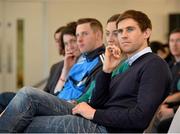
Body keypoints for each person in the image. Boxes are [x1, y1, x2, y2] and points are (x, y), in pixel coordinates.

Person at [0, 11, 172, 133]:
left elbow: (140, 118)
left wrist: (94, 114)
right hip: (95, 119)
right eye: (120, 31)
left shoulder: (154, 65)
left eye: (130, 29)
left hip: (107, 129)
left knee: (26, 122)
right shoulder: (128, 64)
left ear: (146, 32)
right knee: (27, 94)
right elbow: (97, 101)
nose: (123, 35)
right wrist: (106, 71)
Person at [0, 25, 66, 113]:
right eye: (57, 41)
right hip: (45, 100)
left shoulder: (75, 66)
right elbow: (45, 91)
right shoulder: (55, 67)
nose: (60, 44)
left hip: (55, 104)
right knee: (5, 97)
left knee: (5, 98)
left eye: (62, 41)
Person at [156, 28, 180, 133]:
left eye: (178, 40)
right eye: (172, 40)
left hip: (176, 109)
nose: (174, 44)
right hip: (165, 105)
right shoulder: (169, 64)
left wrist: (171, 109)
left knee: (162, 126)